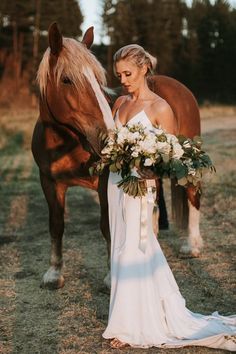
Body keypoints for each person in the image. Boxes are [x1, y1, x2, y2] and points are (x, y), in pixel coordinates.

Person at [102, 44, 236, 350]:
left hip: (141, 187)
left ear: (144, 69)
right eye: (119, 74)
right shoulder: (120, 103)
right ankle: (124, 318)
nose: (123, 80)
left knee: (135, 249)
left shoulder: (160, 108)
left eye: (128, 73)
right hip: (116, 183)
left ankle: (132, 326)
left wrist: (148, 166)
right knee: (119, 247)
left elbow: (171, 156)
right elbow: (111, 141)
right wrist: (113, 154)